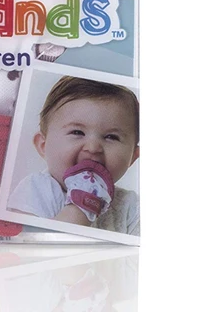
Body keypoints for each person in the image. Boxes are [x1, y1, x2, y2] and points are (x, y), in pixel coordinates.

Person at [8, 76, 140, 235]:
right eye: (77, 132)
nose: (93, 148)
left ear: (133, 157)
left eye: (111, 137)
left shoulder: (131, 206)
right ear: (43, 146)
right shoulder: (35, 190)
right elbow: (32, 245)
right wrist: (83, 203)